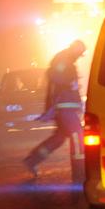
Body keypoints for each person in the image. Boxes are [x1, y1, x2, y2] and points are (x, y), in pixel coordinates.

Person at [23, 39, 86, 182]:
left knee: (58, 139)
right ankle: (80, 172)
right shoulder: (63, 59)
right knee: (77, 136)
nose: (79, 56)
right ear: (76, 50)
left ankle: (32, 160)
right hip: (64, 106)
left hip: (66, 105)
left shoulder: (67, 59)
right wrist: (68, 83)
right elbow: (54, 76)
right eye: (79, 53)